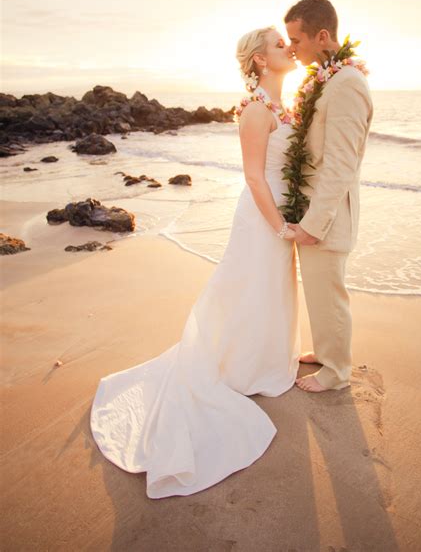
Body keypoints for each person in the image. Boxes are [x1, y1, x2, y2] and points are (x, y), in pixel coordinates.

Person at [90, 26, 301, 498]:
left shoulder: (282, 108)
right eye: (279, 44)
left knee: (269, 288)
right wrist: (281, 226)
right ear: (261, 61)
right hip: (262, 219)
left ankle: (263, 361)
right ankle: (237, 366)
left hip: (279, 215)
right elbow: (252, 176)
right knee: (247, 286)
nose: (289, 46)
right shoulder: (253, 110)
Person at [284, 0, 373, 393]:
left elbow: (341, 164)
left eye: (297, 40)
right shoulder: (327, 79)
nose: (292, 49)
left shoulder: (347, 84)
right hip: (313, 210)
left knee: (330, 293)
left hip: (329, 215)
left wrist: (315, 223)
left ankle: (337, 372)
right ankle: (324, 351)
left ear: (322, 36)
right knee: (318, 289)